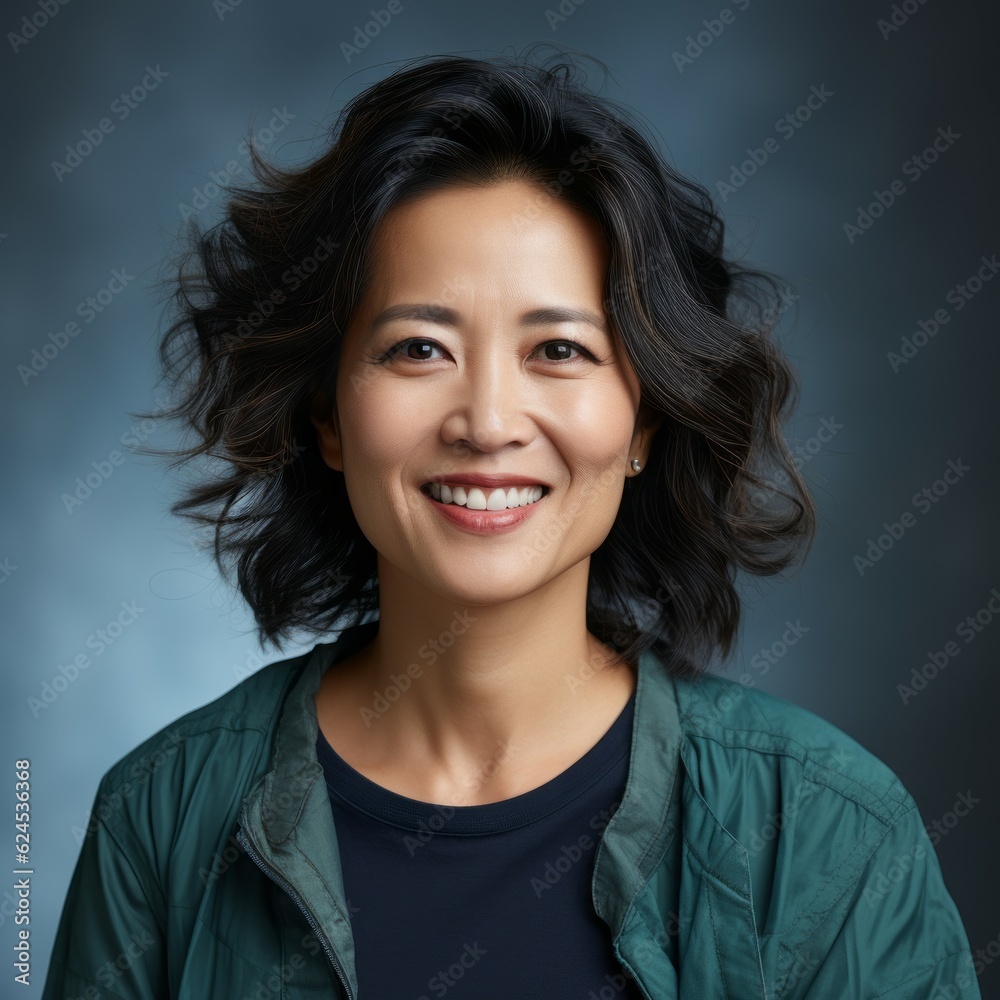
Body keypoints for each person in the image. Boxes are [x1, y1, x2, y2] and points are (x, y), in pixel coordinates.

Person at [42, 48, 980, 999]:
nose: (487, 421)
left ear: (644, 421)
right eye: (418, 348)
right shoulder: (160, 820)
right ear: (327, 417)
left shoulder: (826, 832)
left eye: (559, 349)